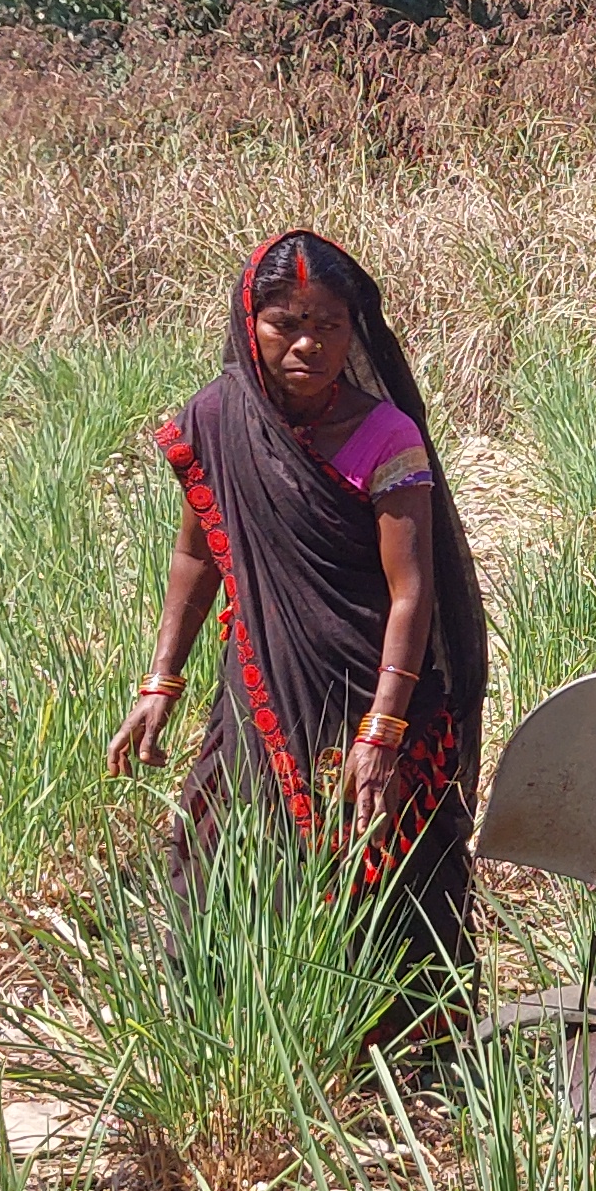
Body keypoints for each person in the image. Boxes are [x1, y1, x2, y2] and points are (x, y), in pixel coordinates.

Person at [109, 231, 486, 978]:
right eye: (287, 323)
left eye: (330, 327)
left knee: (379, 880)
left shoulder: (385, 436)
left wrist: (382, 731)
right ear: (250, 323)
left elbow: (412, 592)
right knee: (224, 852)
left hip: (369, 691)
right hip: (261, 691)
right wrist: (162, 681)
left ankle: (392, 1059)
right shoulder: (216, 421)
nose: (309, 344)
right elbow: (197, 555)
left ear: (355, 332)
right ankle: (234, 1034)